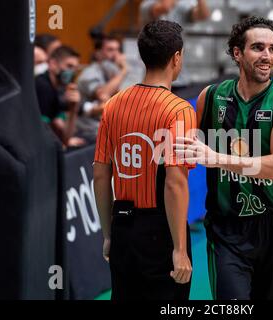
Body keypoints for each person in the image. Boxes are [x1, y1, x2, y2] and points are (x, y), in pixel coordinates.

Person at [176, 16, 273, 300]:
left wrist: (216, 157)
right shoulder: (210, 97)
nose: (267, 56)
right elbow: (185, 150)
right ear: (237, 53)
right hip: (226, 229)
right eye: (258, 47)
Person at [93, 20, 196, 300]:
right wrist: (179, 249)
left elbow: (101, 175)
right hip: (160, 231)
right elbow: (175, 182)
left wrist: (108, 234)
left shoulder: (112, 104)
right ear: (176, 57)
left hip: (123, 225)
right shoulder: (179, 110)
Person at [35, 45, 85, 147]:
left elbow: (65, 135)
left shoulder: (61, 89)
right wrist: (63, 140)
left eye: (75, 68)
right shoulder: (42, 86)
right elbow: (57, 137)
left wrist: (73, 108)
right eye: (69, 66)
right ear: (53, 64)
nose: (72, 72)